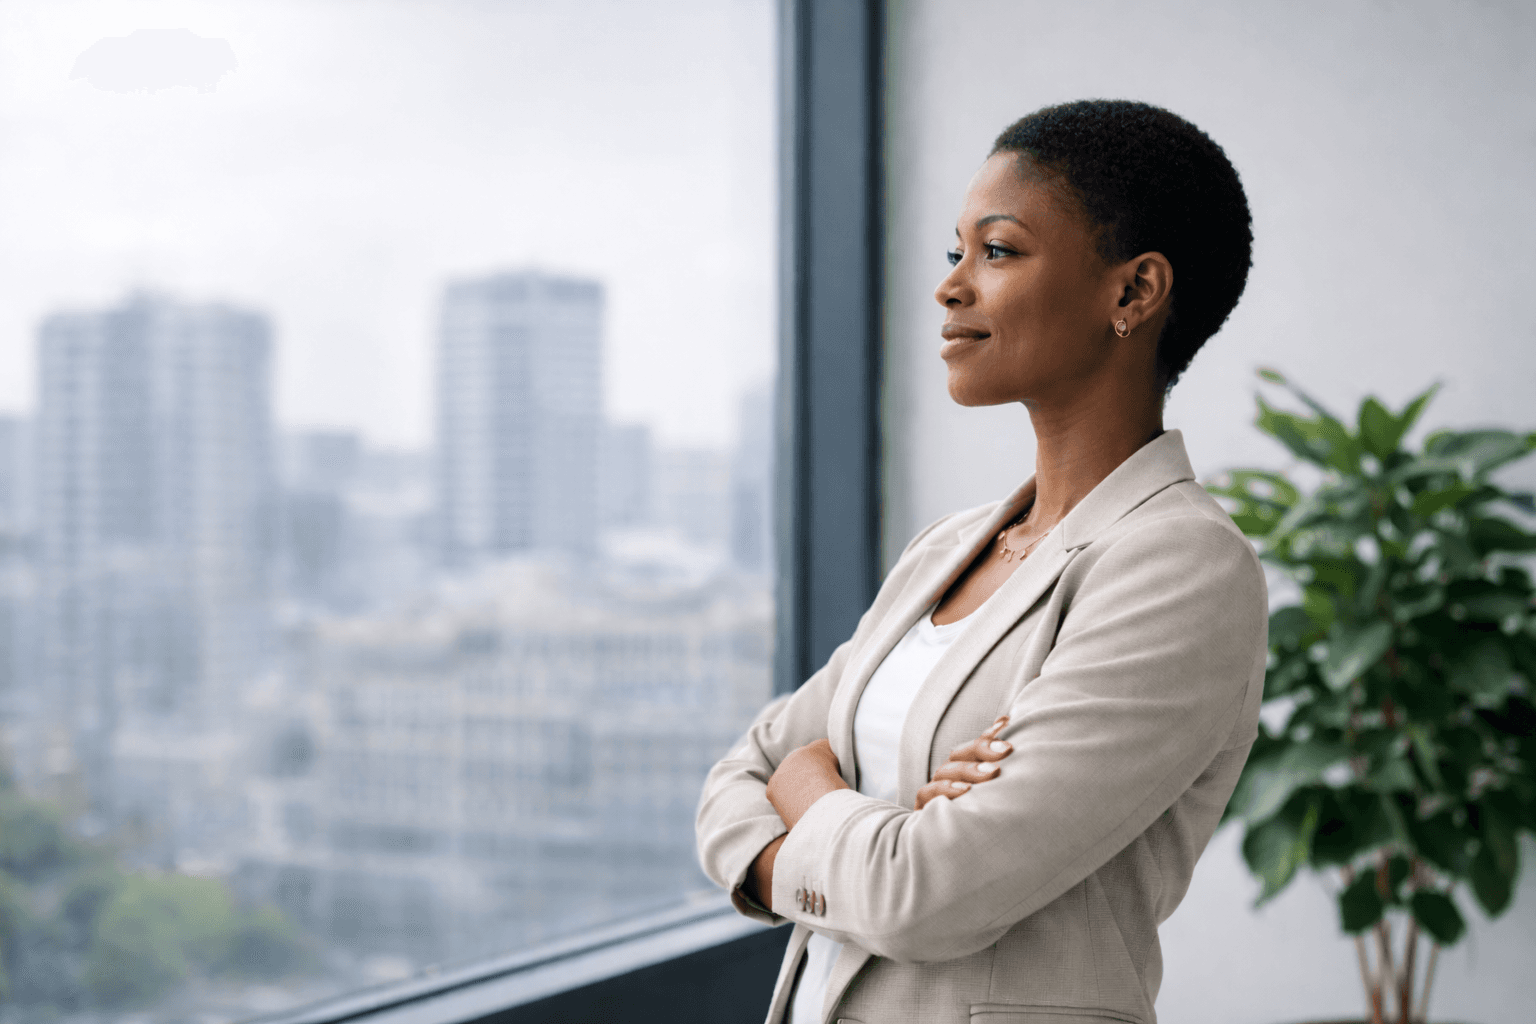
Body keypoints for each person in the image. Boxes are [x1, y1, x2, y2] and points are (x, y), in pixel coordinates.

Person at [696, 99, 1268, 1024]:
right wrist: (859, 828)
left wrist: (810, 791)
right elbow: (737, 775)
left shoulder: (1182, 568)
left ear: (1133, 292)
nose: (951, 287)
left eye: (996, 251)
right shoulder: (948, 549)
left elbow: (927, 893)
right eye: (954, 252)